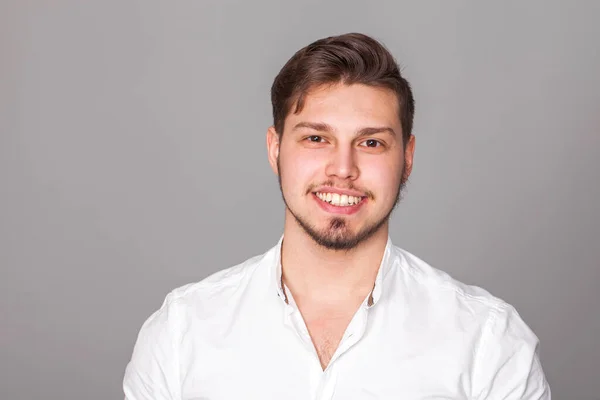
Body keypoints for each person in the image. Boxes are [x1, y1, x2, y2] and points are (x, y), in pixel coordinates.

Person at [123, 33, 551, 399]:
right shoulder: (180, 334)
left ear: (408, 158)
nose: (342, 168)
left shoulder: (489, 343)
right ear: (275, 149)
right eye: (315, 138)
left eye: (371, 143)